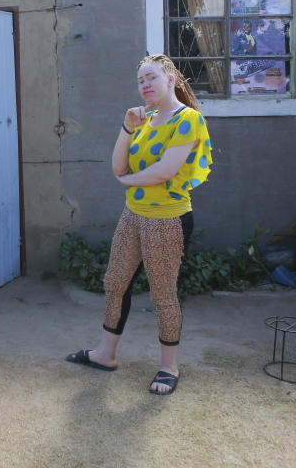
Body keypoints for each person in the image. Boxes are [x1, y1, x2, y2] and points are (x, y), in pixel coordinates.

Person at [66, 53, 213, 395]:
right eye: (140, 81)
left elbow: (165, 171)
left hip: (167, 219)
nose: (144, 85)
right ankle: (105, 354)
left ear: (170, 80)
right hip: (133, 214)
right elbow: (119, 166)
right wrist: (126, 128)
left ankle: (168, 366)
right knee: (115, 282)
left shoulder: (188, 119)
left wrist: (129, 182)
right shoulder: (144, 119)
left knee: (163, 294)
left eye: (151, 78)